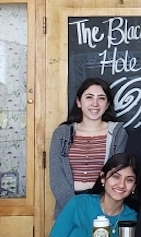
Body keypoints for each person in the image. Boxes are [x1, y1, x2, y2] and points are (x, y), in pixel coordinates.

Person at [49, 78, 129, 217]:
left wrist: (101, 207)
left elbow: (117, 174)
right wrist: (74, 208)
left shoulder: (118, 133)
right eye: (89, 97)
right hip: (68, 208)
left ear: (107, 104)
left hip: (105, 207)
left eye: (101, 98)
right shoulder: (62, 133)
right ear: (79, 102)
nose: (95, 103)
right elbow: (57, 177)